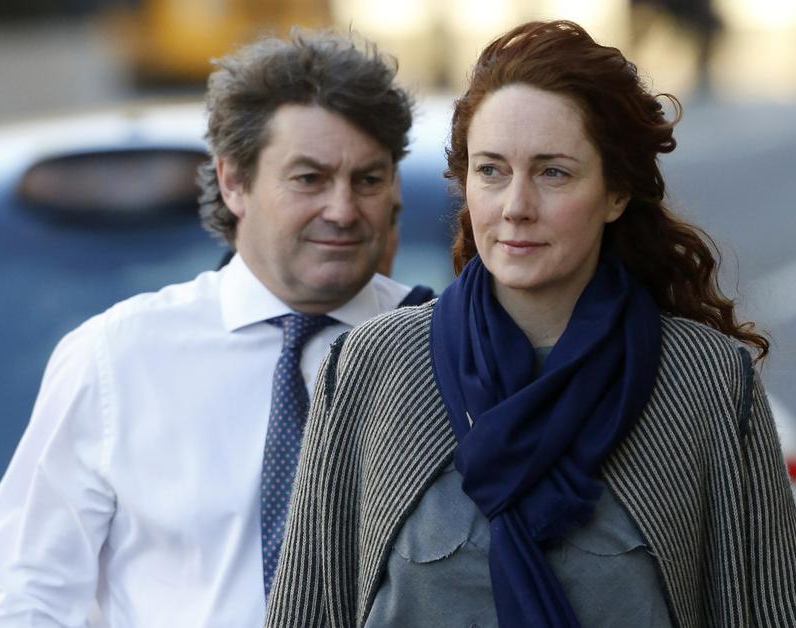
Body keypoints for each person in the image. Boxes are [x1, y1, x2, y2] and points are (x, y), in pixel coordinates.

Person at [265, 20, 796, 628]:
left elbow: (766, 613)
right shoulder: (369, 368)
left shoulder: (705, 381)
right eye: (491, 170)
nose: (516, 206)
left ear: (616, 193)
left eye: (553, 172)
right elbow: (306, 614)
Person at [0, 30, 432, 627]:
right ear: (234, 181)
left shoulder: (441, 350)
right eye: (309, 179)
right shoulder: (117, 360)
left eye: (368, 180)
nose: (343, 210)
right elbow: (20, 596)